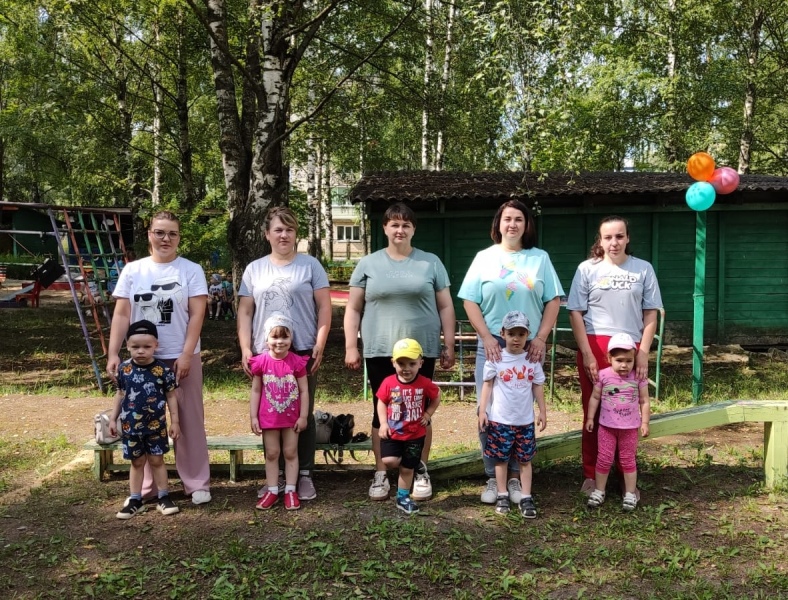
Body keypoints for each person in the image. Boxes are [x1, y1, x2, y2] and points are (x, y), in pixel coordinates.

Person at [344, 202, 455, 502]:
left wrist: (448, 344)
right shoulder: (368, 264)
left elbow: (446, 306)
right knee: (382, 409)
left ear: (413, 229)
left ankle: (419, 470)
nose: (400, 230)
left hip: (421, 350)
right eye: (394, 224)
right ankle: (381, 472)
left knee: (419, 410)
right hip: (380, 350)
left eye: (406, 225)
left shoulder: (431, 262)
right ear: (385, 228)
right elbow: (353, 308)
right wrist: (351, 346)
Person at [458, 199, 563, 506]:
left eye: (519, 219)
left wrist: (541, 338)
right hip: (492, 344)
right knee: (489, 409)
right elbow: (469, 300)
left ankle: (516, 477)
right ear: (498, 223)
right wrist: (486, 337)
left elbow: (553, 300)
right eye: (507, 218)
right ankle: (494, 477)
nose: (513, 224)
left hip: (529, 347)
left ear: (526, 225)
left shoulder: (539, 258)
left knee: (520, 409)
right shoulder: (484, 258)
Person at [107, 210, 212, 505]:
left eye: (172, 234)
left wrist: (187, 354)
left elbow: (197, 314)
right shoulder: (134, 270)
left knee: (189, 419)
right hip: (142, 360)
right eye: (160, 232)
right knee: (142, 418)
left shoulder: (190, 270)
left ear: (179, 237)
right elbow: (122, 314)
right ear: (149, 234)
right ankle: (146, 486)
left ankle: (196, 482)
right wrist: (114, 352)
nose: (166, 239)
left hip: (180, 356)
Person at [237, 206, 331, 501]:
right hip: (266, 353)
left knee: (301, 410)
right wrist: (245, 348)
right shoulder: (255, 269)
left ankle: (304, 474)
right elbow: (245, 311)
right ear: (267, 234)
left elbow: (324, 307)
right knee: (271, 411)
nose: (284, 235)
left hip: (302, 350)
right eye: (278, 229)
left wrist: (320, 342)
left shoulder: (310, 266)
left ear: (296, 234)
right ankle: (275, 477)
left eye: (289, 229)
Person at [567, 215, 662, 496]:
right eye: (608, 237)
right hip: (595, 344)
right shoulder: (587, 269)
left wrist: (643, 352)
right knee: (594, 409)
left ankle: (625, 474)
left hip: (631, 348)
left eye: (619, 236)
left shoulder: (643, 269)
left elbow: (651, 313)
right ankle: (591, 474)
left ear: (627, 238)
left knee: (627, 411)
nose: (614, 242)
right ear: (600, 240)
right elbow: (575, 313)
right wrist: (587, 353)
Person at [477, 311, 546, 518]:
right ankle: (502, 494)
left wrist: (542, 411)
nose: (516, 339)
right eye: (511, 333)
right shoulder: (496, 358)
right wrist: (483, 410)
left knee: (525, 460)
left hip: (524, 421)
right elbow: (487, 384)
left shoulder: (532, 360)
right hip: (500, 420)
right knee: (500, 459)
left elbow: (538, 385)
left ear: (528, 335)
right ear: (503, 334)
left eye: (521, 334)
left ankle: (526, 497)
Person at [111, 320, 180, 519]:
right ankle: (135, 499)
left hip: (156, 426)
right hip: (131, 427)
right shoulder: (124, 369)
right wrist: (113, 419)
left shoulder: (162, 371)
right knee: (137, 461)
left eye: (147, 347)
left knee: (157, 460)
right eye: (135, 347)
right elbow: (120, 394)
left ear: (155, 346)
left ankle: (164, 497)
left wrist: (175, 421)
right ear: (127, 346)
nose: (141, 351)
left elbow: (171, 396)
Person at [584, 333, 650, 512]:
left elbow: (644, 400)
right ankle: (599, 490)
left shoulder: (638, 377)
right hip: (606, 427)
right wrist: (590, 418)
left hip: (630, 428)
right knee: (604, 459)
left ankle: (630, 493)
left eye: (629, 361)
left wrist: (645, 422)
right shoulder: (603, 376)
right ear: (609, 358)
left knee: (628, 460)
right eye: (619, 360)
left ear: (634, 360)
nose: (624, 365)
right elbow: (595, 397)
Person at [251, 313, 310, 511]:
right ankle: (273, 489)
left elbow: (304, 390)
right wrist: (253, 416)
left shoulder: (297, 362)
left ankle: (291, 490)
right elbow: (256, 390)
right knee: (272, 453)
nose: (279, 341)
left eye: (285, 336)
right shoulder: (261, 362)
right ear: (266, 338)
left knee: (290, 452)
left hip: (291, 418)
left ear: (291, 338)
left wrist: (303, 416)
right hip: (269, 418)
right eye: (275, 337)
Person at [377, 339, 441, 515]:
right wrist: (383, 423)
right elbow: (381, 402)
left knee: (407, 468)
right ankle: (414, 464)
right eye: (401, 363)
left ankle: (403, 497)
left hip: (415, 435)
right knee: (389, 461)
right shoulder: (388, 382)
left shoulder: (425, 383)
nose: (406, 368)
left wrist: (427, 414)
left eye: (412, 363)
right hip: (393, 433)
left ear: (421, 363)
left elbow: (437, 396)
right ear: (393, 363)